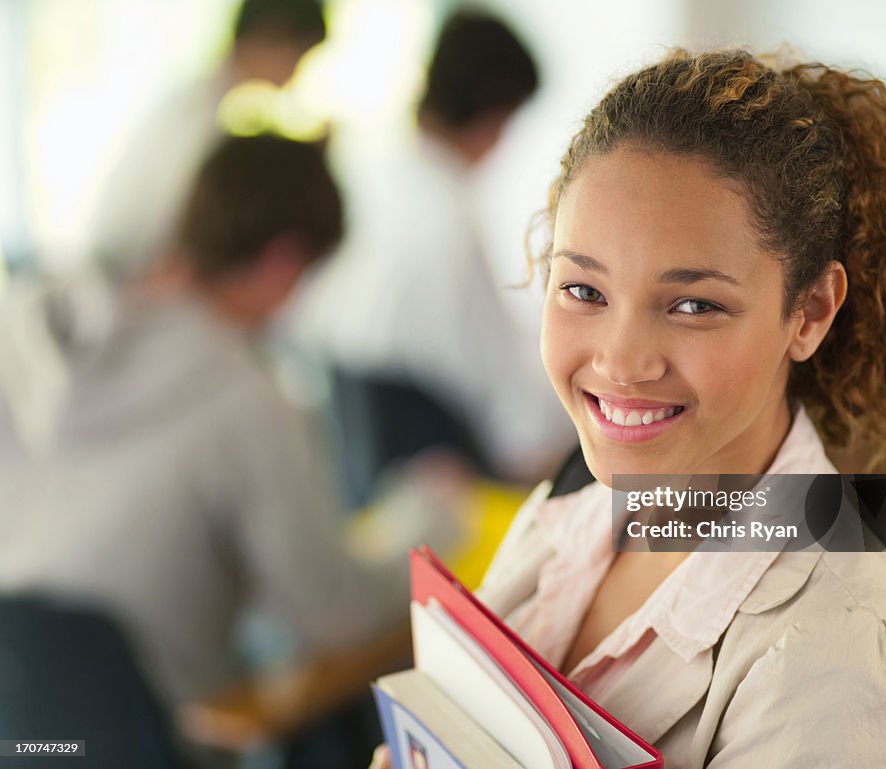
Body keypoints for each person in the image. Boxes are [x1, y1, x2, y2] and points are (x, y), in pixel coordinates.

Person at [371, 49, 886, 768]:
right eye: (584, 291)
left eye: (694, 304)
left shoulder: (837, 647)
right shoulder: (573, 507)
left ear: (809, 311)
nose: (622, 361)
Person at [0, 135, 411, 712]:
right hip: (155, 729)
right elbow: (336, 616)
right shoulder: (243, 395)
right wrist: (426, 527)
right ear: (282, 260)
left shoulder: (23, 330)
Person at [302, 9, 575, 488]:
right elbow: (497, 386)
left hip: (351, 442)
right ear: (495, 113)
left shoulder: (363, 167)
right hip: (439, 469)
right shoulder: (444, 221)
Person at [86, 0, 327, 273]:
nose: (296, 73)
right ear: (271, 36)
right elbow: (173, 231)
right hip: (128, 276)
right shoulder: (194, 116)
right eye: (299, 56)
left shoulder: (206, 104)